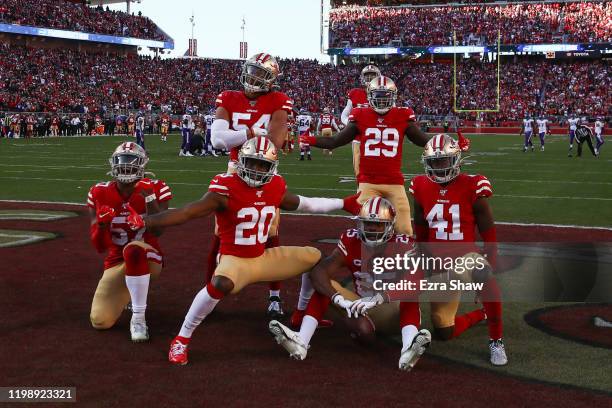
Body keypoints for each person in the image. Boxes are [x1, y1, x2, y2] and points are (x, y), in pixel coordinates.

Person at [126, 137, 359, 365]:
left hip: (263, 258)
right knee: (220, 284)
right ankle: (181, 338)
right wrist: (149, 222)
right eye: (252, 163)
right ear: (241, 162)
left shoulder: (275, 186)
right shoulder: (225, 188)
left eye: (263, 165)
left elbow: (306, 204)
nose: (257, 170)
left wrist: (343, 203)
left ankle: (299, 315)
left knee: (315, 258)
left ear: (272, 167)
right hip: (235, 260)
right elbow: (188, 212)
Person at [269, 197, 430, 371]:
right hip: (362, 303)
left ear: (390, 225)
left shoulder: (404, 245)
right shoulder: (351, 240)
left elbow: (417, 283)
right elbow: (320, 272)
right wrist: (338, 299)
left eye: (377, 224)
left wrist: (379, 298)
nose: (371, 229)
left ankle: (408, 346)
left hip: (392, 309)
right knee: (325, 286)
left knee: (410, 294)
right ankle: (302, 340)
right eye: (367, 223)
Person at [409, 133, 507, 366]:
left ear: (456, 160)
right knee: (444, 330)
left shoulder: (473, 185)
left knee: (482, 271)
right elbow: (421, 228)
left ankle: (496, 341)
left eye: (443, 161)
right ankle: (480, 315)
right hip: (438, 265)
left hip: (466, 259)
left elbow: (488, 229)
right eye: (433, 162)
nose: (438, 166)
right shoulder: (420, 185)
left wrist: (489, 261)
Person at [210, 53, 294, 317]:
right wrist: (250, 132)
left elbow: (276, 141)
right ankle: (209, 290)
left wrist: (236, 136)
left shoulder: (279, 100)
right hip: (234, 171)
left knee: (270, 235)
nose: (254, 78)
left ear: (270, 80)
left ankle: (275, 296)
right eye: (252, 71)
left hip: (265, 173)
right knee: (220, 235)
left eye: (260, 74)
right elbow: (216, 140)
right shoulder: (229, 97)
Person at [300, 75, 430, 236]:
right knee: (367, 230)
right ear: (369, 95)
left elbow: (423, 140)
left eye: (386, 96)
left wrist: (450, 144)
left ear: (393, 96)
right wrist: (311, 140)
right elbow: (335, 141)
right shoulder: (360, 114)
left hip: (394, 182)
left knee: (404, 231)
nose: (382, 101)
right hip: (368, 182)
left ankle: (395, 260)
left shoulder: (402, 115)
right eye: (378, 96)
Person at [87, 142, 172, 342]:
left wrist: (149, 197)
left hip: (149, 255)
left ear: (143, 165)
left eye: (131, 162)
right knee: (100, 321)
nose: (126, 166)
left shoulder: (156, 188)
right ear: (113, 163)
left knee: (134, 250)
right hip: (116, 261)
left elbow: (159, 231)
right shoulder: (99, 193)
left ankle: (139, 318)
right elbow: (99, 247)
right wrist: (101, 225)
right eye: (122, 161)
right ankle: (128, 294)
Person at [341, 65, 381, 179]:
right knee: (359, 173)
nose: (369, 78)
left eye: (372, 75)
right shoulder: (355, 93)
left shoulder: (383, 93)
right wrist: (351, 125)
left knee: (378, 172)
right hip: (358, 138)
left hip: (377, 138)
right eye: (367, 75)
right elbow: (344, 114)